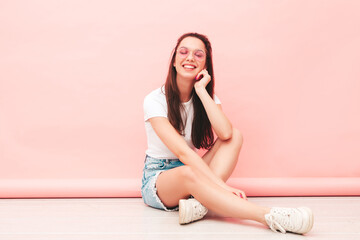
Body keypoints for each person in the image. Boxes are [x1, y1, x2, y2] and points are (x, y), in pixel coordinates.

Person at [141, 32, 314, 234]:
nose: (190, 58)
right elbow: (184, 154)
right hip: (159, 177)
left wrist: (202, 91)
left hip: (192, 170)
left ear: (205, 65)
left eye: (198, 55)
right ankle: (269, 216)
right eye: (183, 52)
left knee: (235, 136)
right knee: (189, 172)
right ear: (173, 61)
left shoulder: (205, 96)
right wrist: (221, 186)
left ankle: (198, 204)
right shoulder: (154, 100)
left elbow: (225, 134)